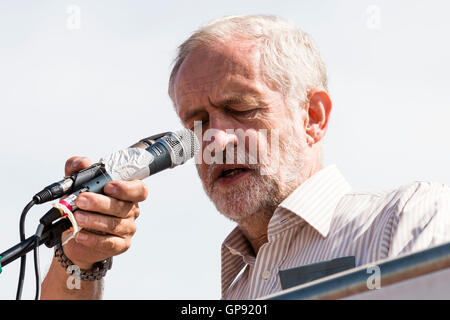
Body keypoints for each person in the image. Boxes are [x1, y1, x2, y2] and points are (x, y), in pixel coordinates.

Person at [41, 15, 450, 300]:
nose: (215, 138)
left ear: (312, 117)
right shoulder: (238, 287)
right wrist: (78, 260)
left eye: (241, 108)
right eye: (196, 120)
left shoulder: (409, 216)